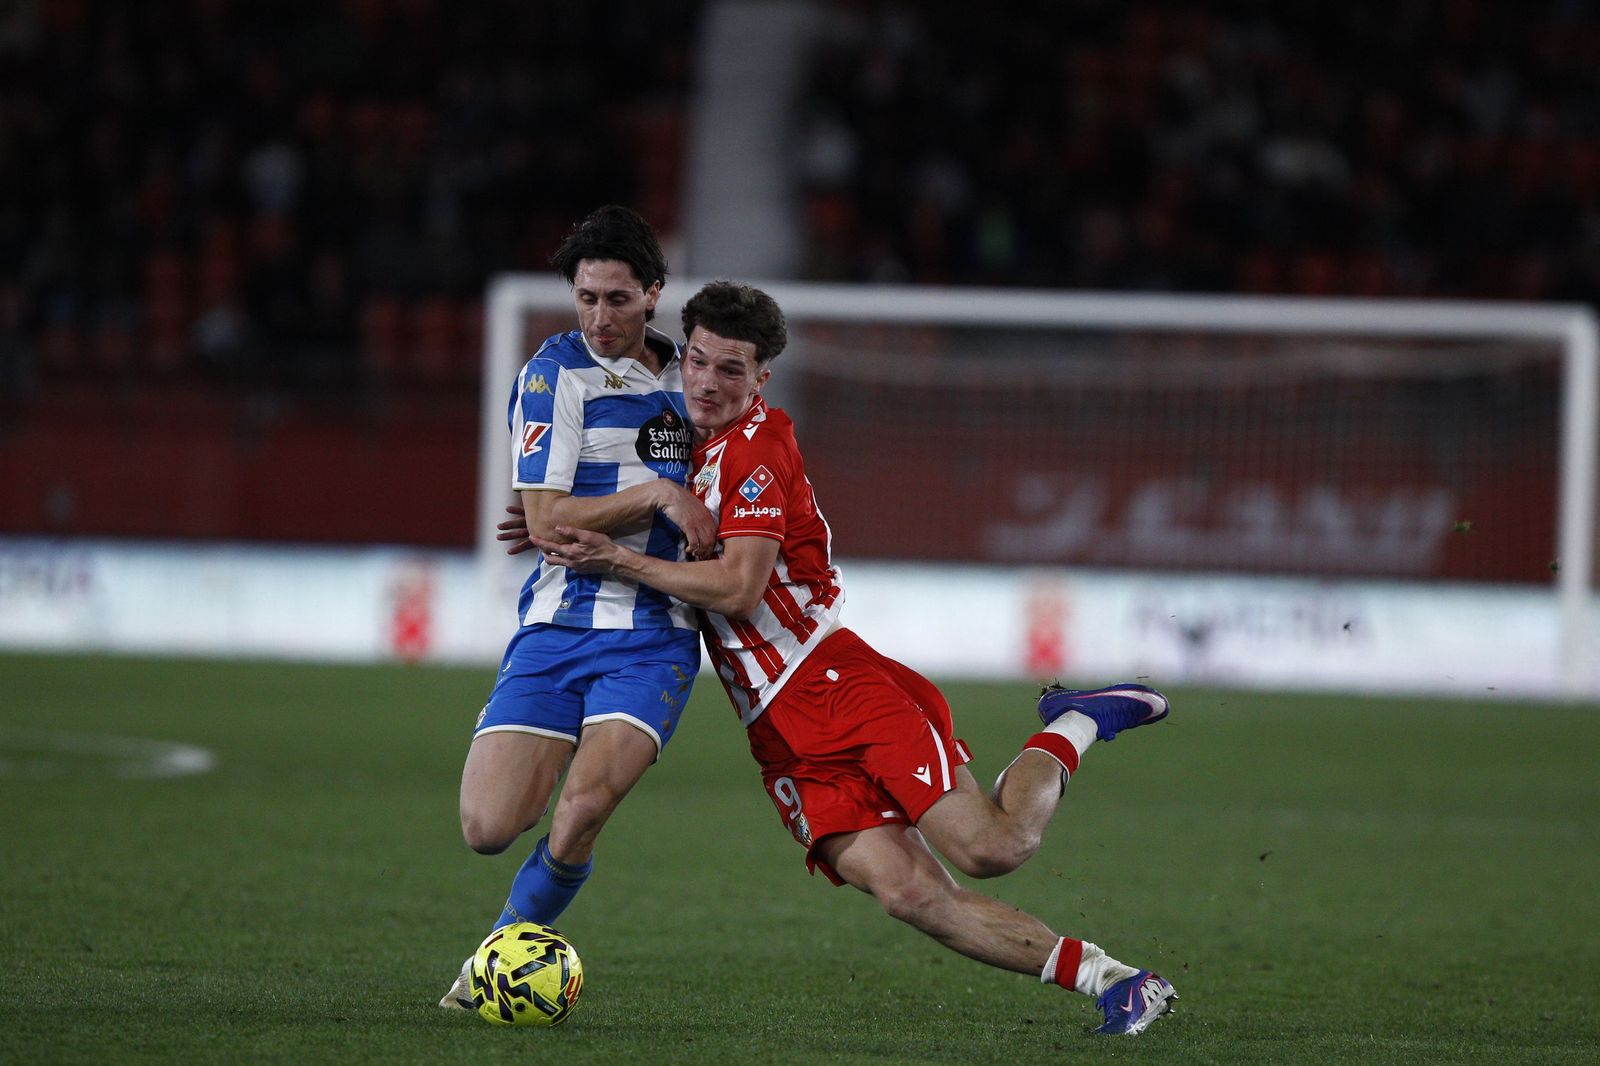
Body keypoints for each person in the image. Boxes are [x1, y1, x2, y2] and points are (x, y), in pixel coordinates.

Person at [529, 281, 1179, 1036]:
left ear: (760, 379)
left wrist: (618, 559)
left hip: (836, 684)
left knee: (989, 849)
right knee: (908, 895)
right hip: (778, 732)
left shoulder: (760, 450)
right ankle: (1118, 983)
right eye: (698, 361)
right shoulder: (688, 446)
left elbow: (739, 590)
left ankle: (1072, 722)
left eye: (731, 370)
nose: (707, 382)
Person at [438, 206, 716, 1010]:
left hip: (653, 635)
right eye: (586, 297)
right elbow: (547, 520)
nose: (599, 316)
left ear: (655, 294)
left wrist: (580, 513)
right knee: (488, 827)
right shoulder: (551, 375)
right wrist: (655, 495)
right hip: (557, 626)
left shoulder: (691, 380)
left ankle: (491, 964)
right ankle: (521, 917)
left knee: (583, 808)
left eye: (617, 299)